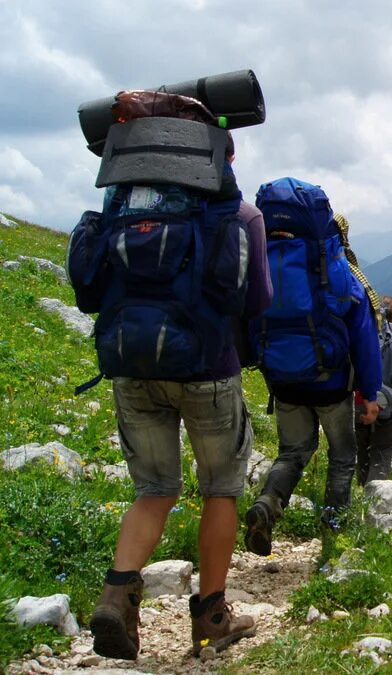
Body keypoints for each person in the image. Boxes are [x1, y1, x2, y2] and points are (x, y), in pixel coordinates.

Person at [87, 131, 271, 659]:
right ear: (222, 158)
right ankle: (212, 617)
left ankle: (117, 595)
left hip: (131, 366)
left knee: (154, 490)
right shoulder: (239, 213)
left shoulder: (124, 206)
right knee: (220, 488)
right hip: (209, 369)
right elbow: (257, 298)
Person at [243, 179, 382, 555]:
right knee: (342, 456)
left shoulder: (260, 263)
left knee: (292, 453)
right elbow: (365, 334)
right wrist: (369, 394)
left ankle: (267, 504)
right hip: (331, 382)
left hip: (284, 380)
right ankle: (333, 531)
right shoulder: (335, 270)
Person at [354, 296, 392, 485]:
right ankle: (376, 499)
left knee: (361, 451)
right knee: (382, 452)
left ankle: (361, 495)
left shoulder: (357, 331)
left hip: (357, 400)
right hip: (384, 404)